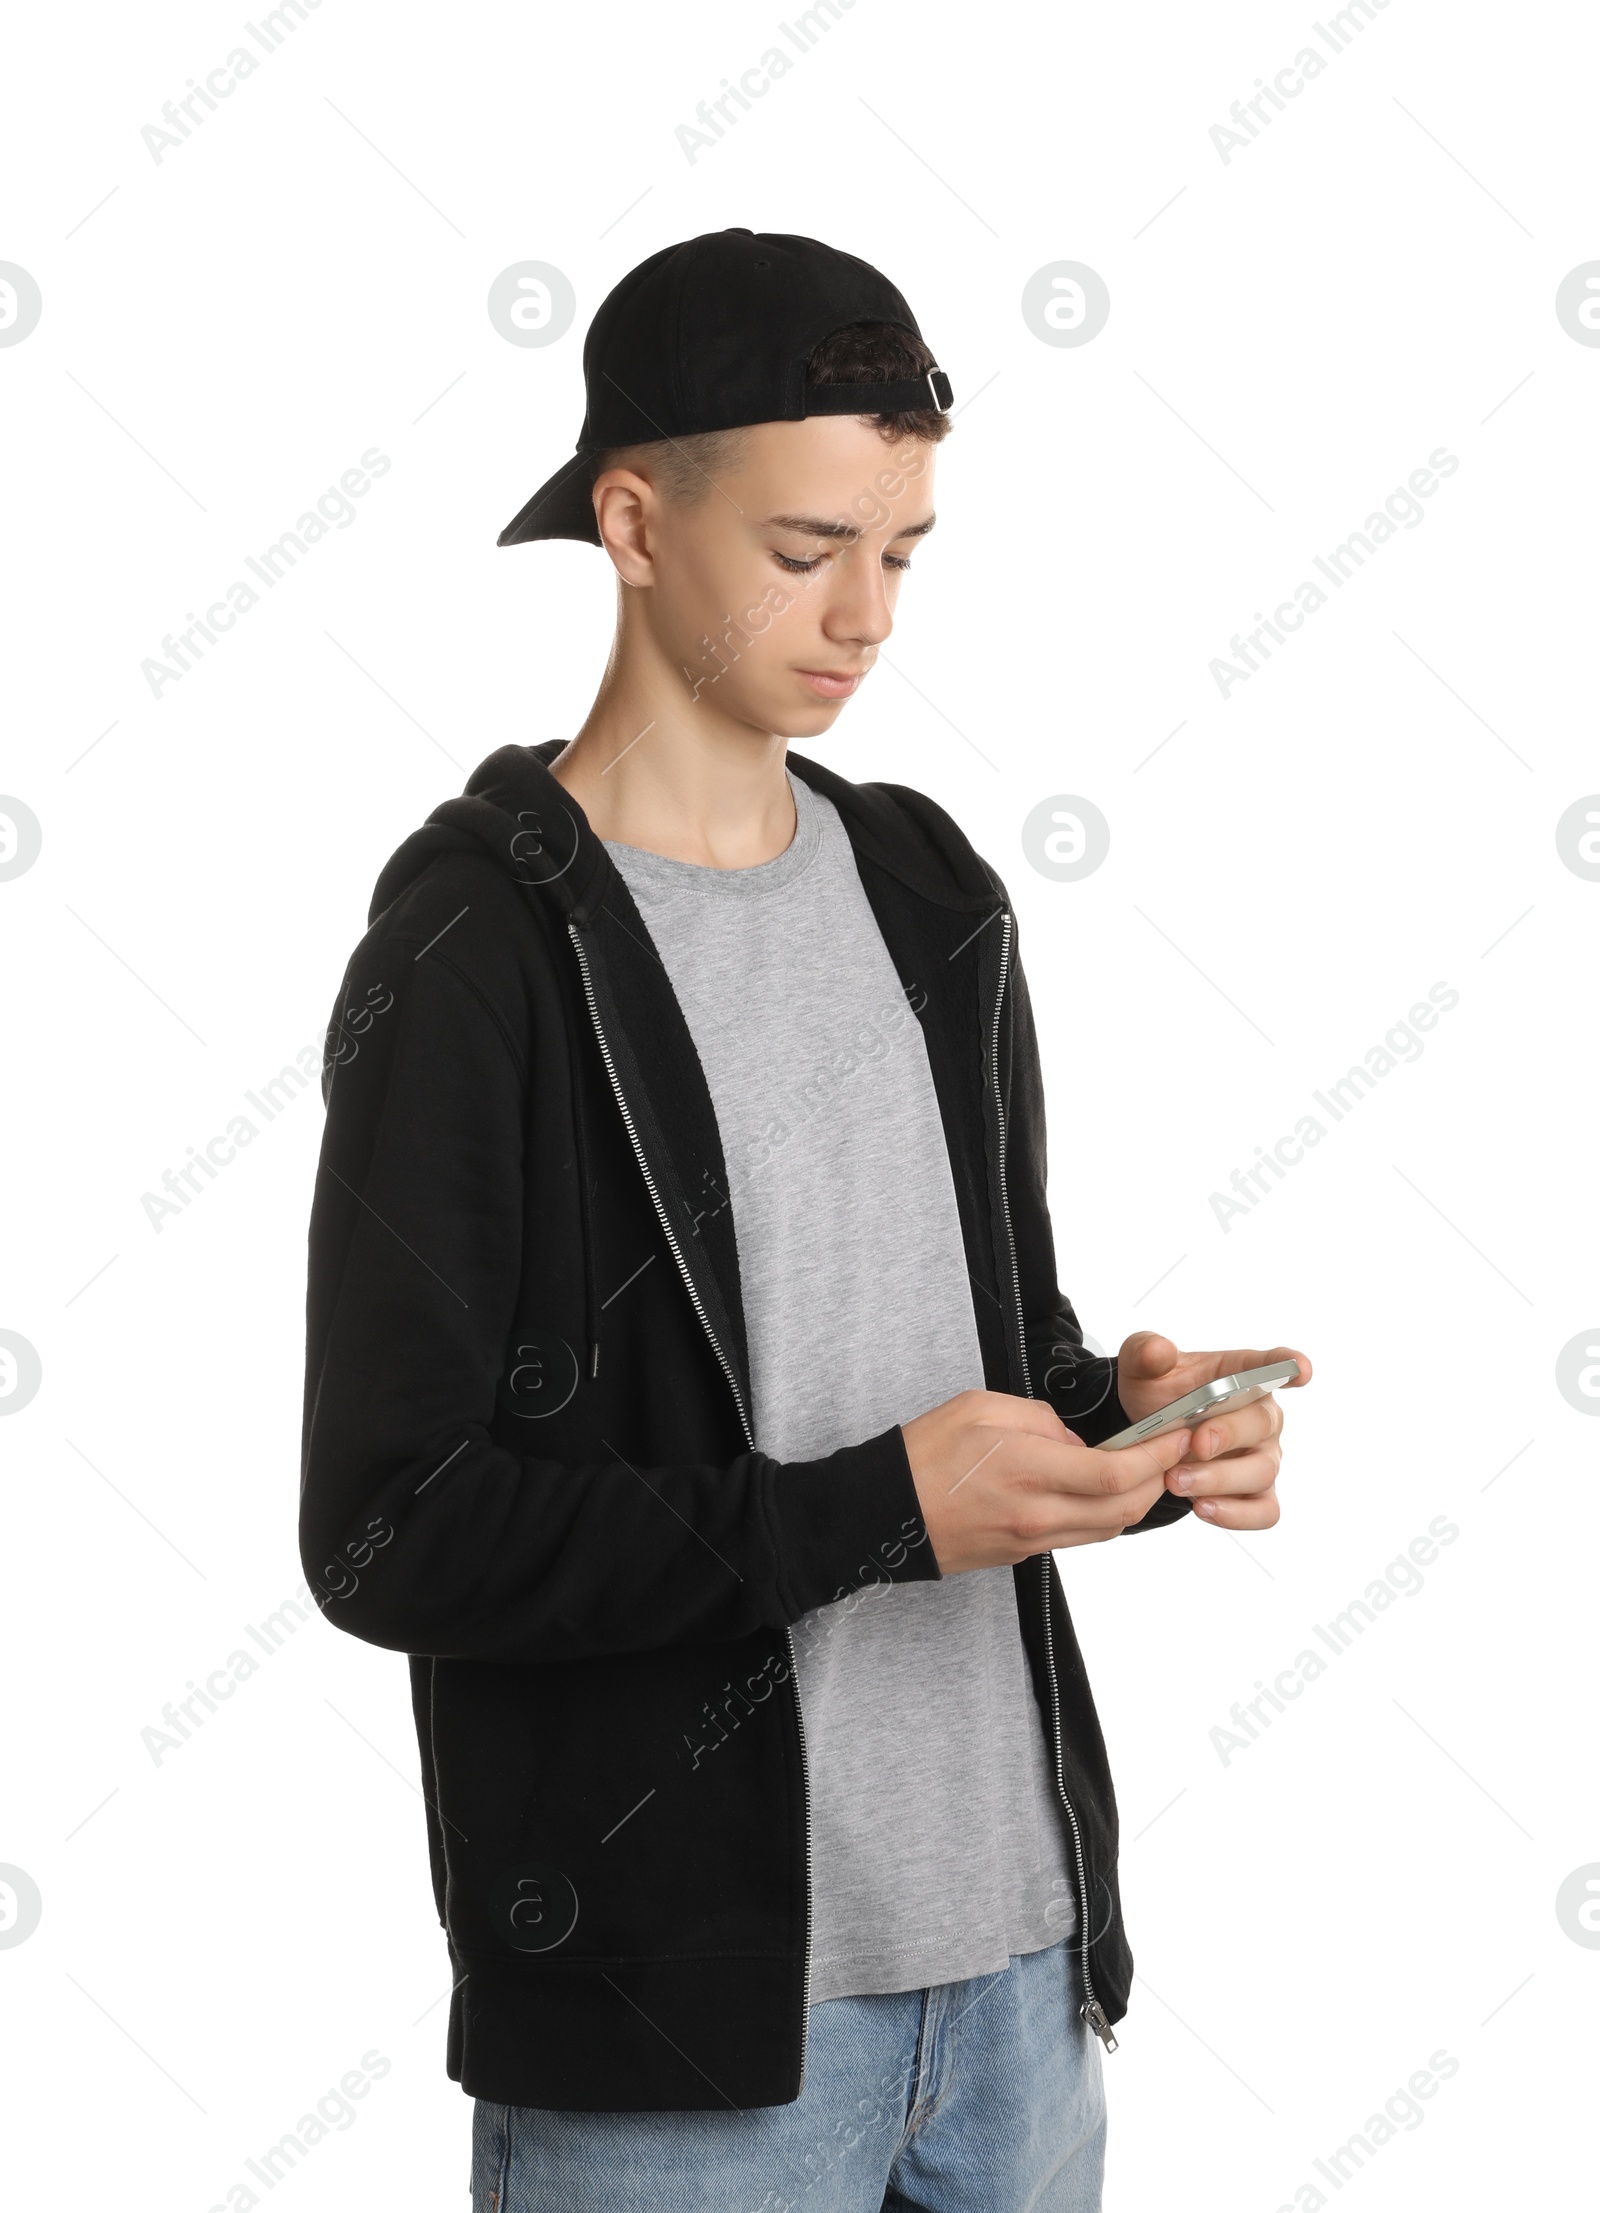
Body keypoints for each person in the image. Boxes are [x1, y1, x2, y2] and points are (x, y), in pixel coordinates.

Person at [299, 227, 1309, 2213]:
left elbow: (971, 1359)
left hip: (1020, 1986)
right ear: (633, 521)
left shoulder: (926, 887)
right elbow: (387, 1528)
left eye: (903, 551)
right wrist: (870, 1512)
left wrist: (1129, 1420)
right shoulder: (476, 953)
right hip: (683, 2067)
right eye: (802, 550)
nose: (863, 614)